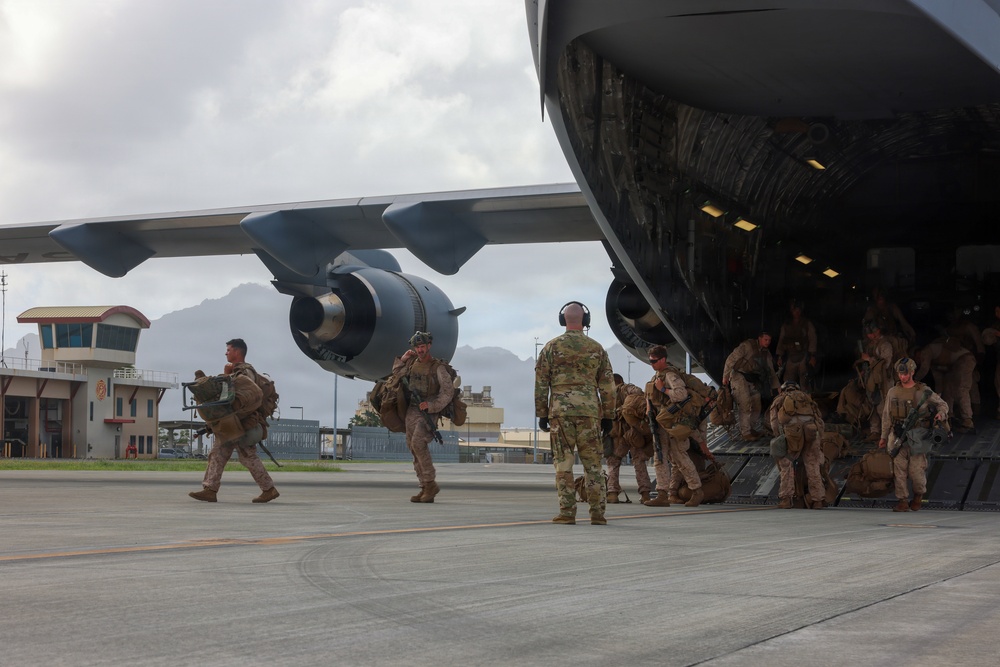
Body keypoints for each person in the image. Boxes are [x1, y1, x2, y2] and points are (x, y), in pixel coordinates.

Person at [535, 301, 615, 525]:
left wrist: (542, 413)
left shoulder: (550, 348)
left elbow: (541, 383)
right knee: (593, 466)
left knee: (563, 464)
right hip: (590, 413)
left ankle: (567, 512)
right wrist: (609, 416)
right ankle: (598, 513)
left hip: (560, 414)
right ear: (585, 320)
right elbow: (608, 386)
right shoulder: (596, 349)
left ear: (563, 320)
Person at [189, 338, 279, 503]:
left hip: (241, 424)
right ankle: (210, 489)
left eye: (229, 350)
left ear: (237, 351)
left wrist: (227, 375)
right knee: (218, 454)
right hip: (232, 424)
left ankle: (268, 489)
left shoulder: (245, 372)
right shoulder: (235, 371)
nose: (226, 352)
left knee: (246, 456)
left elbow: (245, 398)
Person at [879, 357, 948, 512]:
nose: (903, 377)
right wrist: (883, 437)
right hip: (897, 435)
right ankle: (902, 500)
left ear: (912, 372)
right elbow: (886, 415)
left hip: (918, 436)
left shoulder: (923, 391)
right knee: (899, 470)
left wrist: (941, 414)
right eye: (900, 374)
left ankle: (918, 496)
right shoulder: (893, 392)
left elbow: (942, 404)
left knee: (916, 471)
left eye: (906, 374)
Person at [393, 331, 454, 503]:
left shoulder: (438, 368)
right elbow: (397, 373)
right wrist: (403, 359)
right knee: (412, 448)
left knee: (418, 444)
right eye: (417, 347)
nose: (420, 350)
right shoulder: (411, 364)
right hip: (412, 411)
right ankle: (424, 486)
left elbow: (447, 393)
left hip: (428, 413)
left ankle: (430, 484)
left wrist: (432, 406)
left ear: (429, 346)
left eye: (422, 346)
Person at [643, 346, 705, 508]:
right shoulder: (656, 376)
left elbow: (681, 395)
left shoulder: (670, 375)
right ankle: (662, 494)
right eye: (650, 361)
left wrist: (663, 389)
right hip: (660, 424)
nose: (651, 364)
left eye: (654, 361)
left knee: (680, 457)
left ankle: (697, 491)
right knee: (660, 458)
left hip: (673, 423)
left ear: (663, 359)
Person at [767, 381, 826, 509]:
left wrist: (780, 437)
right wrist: (819, 438)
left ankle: (786, 499)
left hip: (792, 436)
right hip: (812, 434)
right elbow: (819, 420)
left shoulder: (779, 400)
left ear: (783, 389)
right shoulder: (807, 399)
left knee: (786, 466)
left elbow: (774, 423)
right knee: (813, 466)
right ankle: (818, 501)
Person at [722, 332, 781, 441]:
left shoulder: (765, 353)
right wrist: (725, 376)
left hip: (751, 378)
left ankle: (750, 428)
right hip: (738, 375)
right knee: (745, 404)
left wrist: (777, 387)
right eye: (765, 339)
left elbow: (771, 370)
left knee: (756, 403)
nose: (767, 342)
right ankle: (745, 433)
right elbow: (731, 359)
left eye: (769, 340)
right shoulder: (747, 346)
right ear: (760, 338)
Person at [606, 373, 652, 504]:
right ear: (621, 380)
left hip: (618, 435)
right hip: (634, 433)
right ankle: (645, 494)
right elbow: (639, 392)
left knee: (613, 462)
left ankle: (612, 493)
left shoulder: (607, 395)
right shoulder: (627, 388)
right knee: (639, 462)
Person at [914, 337, 976, 434]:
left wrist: (914, 381)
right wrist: (939, 396)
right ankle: (949, 416)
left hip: (965, 360)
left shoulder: (927, 352)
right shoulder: (935, 361)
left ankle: (967, 420)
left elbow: (924, 370)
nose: (918, 360)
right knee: (948, 390)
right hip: (955, 366)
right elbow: (939, 382)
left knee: (961, 389)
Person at [859, 321, 896, 442]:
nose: (870, 336)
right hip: (872, 380)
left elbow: (885, 365)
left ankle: (887, 433)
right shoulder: (871, 345)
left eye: (871, 333)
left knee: (883, 408)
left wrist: (869, 359)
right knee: (872, 406)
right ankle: (875, 431)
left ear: (877, 331)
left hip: (884, 381)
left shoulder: (885, 345)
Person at [776, 299, 818, 391]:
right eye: (795, 310)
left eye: (799, 310)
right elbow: (781, 340)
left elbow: (812, 339)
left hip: (804, 356)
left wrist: (812, 356)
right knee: (788, 384)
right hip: (791, 357)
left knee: (805, 383)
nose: (797, 312)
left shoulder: (807, 324)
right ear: (791, 311)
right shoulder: (786, 325)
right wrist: (780, 356)